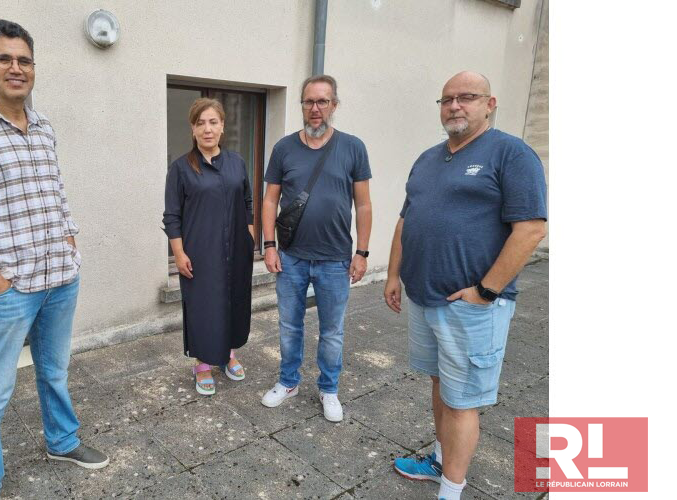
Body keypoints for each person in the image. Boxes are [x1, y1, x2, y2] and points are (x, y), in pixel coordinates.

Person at [0, 19, 109, 500]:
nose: (16, 68)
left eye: (25, 60)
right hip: (8, 287)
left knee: (55, 371)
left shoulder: (44, 126)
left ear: (33, 68)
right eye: (5, 58)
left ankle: (62, 441)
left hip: (60, 277)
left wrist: (70, 240)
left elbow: (55, 191)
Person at [385, 71, 547, 500]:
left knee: (462, 402)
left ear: (489, 104)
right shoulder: (428, 158)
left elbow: (531, 229)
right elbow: (406, 220)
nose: (455, 105)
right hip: (425, 297)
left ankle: (451, 491)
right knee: (440, 384)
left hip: (471, 306)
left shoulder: (511, 154)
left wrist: (486, 291)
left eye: (467, 97)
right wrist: (394, 274)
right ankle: (440, 461)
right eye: (447, 99)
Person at [259, 75, 373, 422]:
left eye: (323, 101)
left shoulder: (353, 147)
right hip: (290, 257)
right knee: (289, 326)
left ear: (334, 105)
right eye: (309, 101)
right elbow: (270, 200)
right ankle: (288, 382)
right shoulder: (284, 148)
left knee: (332, 331)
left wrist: (362, 252)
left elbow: (363, 204)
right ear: (302, 105)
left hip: (335, 259)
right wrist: (269, 245)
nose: (315, 108)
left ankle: (329, 388)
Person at [163, 98, 254, 395]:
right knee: (204, 308)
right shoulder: (181, 169)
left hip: (236, 250)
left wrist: (249, 236)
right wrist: (179, 253)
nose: (207, 129)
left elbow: (247, 202)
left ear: (222, 126)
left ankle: (228, 354)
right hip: (200, 252)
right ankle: (202, 364)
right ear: (192, 129)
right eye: (200, 123)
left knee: (232, 302)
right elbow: (172, 216)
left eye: (213, 122)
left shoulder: (237, 163)